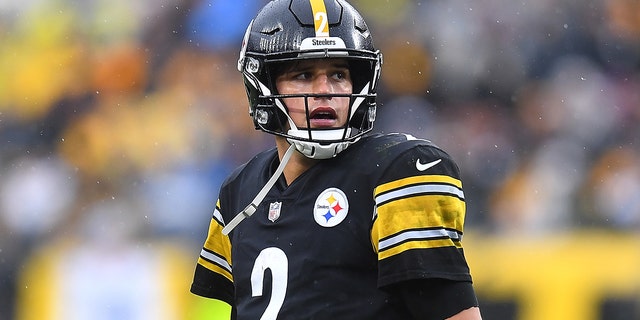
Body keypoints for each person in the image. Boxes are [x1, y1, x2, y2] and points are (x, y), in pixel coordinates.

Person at [190, 0, 482, 319]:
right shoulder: (240, 191)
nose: (325, 90)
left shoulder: (397, 171)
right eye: (303, 74)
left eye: (339, 74)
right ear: (263, 87)